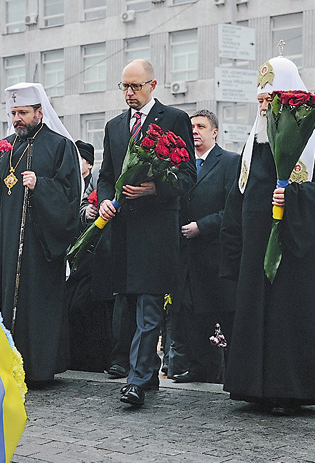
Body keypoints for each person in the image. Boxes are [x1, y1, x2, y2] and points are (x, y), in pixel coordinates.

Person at [219, 55, 315, 415]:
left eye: (271, 100)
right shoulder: (252, 140)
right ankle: (253, 387)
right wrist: (232, 254)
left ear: (289, 99)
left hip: (297, 250)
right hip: (254, 253)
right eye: (260, 101)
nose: (264, 108)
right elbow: (239, 196)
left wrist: (295, 197)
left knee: (287, 318)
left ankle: (291, 389)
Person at [97, 59, 197, 406]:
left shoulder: (174, 119)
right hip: (124, 232)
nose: (129, 93)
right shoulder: (113, 127)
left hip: (156, 232)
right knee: (130, 307)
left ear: (153, 85)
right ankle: (148, 371)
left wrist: (154, 188)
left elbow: (187, 175)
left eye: (135, 86)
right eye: (124, 87)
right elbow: (107, 174)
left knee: (149, 307)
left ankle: (136, 381)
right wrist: (107, 200)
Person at [0, 82, 81, 385]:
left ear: (39, 112)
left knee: (34, 306)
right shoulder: (5, 147)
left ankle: (37, 369)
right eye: (13, 113)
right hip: (6, 246)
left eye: (23, 112)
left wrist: (42, 185)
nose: (16, 119)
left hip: (38, 248)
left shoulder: (60, 146)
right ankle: (2, 365)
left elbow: (70, 195)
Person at [168, 109, 239, 384]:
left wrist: (203, 226)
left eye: (200, 126)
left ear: (215, 132)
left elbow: (233, 209)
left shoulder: (229, 162)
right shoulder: (181, 164)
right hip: (185, 257)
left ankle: (225, 372)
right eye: (191, 127)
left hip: (215, 255)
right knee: (189, 314)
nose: (194, 131)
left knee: (218, 315)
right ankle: (197, 368)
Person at [64, 140, 115, 373]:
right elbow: (83, 205)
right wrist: (87, 211)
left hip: (103, 253)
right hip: (80, 255)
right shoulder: (74, 182)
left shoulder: (101, 175)